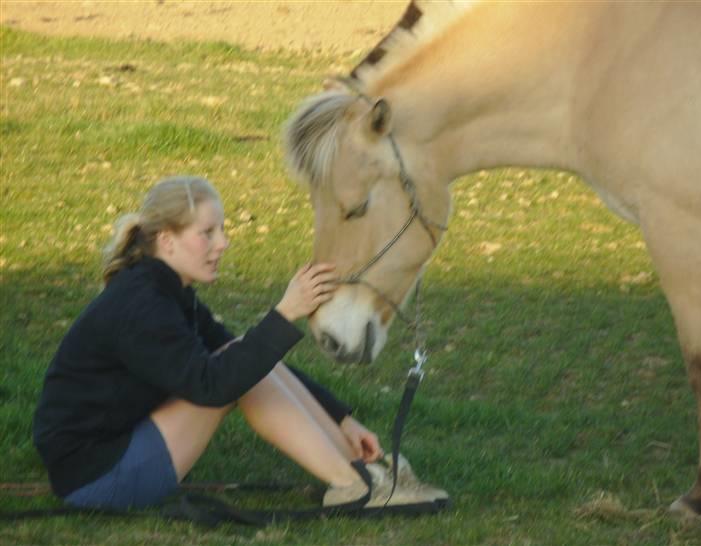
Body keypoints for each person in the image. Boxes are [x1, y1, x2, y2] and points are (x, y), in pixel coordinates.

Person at [33, 175, 447, 512]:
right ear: (166, 240)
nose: (223, 243)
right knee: (237, 367)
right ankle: (351, 485)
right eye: (207, 233)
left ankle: (359, 472)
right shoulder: (141, 304)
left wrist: (343, 420)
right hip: (98, 477)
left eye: (222, 230)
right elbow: (215, 386)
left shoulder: (167, 291)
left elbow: (251, 357)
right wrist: (286, 312)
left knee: (244, 356)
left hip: (117, 450)